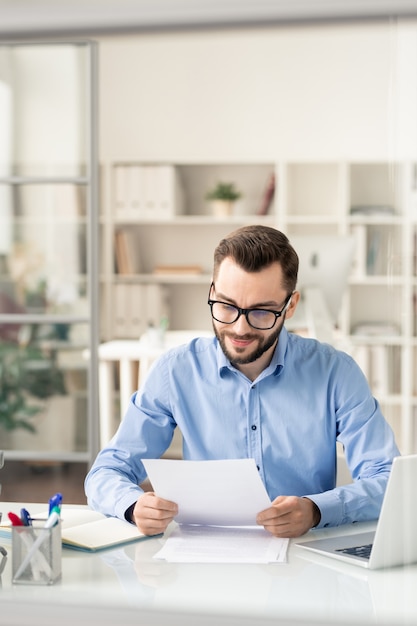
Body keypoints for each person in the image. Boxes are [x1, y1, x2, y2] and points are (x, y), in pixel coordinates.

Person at [85, 225, 399, 538]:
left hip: (305, 556)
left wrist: (316, 510)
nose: (239, 328)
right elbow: (106, 473)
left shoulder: (336, 373)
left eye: (261, 312)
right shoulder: (174, 371)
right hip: (205, 558)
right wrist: (133, 505)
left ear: (290, 306)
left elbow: (389, 479)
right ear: (211, 293)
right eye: (226, 306)